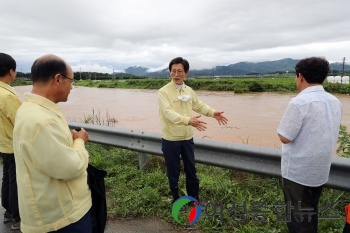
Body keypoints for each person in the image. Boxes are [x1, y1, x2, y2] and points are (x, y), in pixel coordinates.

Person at [13, 54, 92, 233]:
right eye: (71, 80)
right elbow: (68, 167)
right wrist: (80, 143)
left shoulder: (30, 110)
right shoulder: (41, 120)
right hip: (62, 219)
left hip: (51, 212)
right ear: (58, 79)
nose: (72, 87)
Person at [277, 57, 342, 233]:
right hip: (320, 169)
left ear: (300, 76)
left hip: (298, 173)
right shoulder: (335, 101)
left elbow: (285, 137)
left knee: (298, 219)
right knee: (311, 211)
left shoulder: (299, 102)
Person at [158, 57, 228, 204]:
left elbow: (199, 105)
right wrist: (188, 120)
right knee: (173, 172)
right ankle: (176, 199)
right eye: (173, 71)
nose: (176, 74)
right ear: (170, 72)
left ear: (186, 73)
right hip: (171, 139)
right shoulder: (163, 92)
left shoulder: (188, 90)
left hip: (187, 138)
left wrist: (212, 113)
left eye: (180, 71)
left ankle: (194, 199)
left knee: (191, 170)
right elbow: (168, 113)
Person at [0, 53, 21, 230]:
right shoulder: (7, 96)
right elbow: (20, 122)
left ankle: (8, 211)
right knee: (16, 180)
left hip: (2, 143)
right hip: (12, 143)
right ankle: (16, 217)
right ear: (11, 71)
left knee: (7, 177)